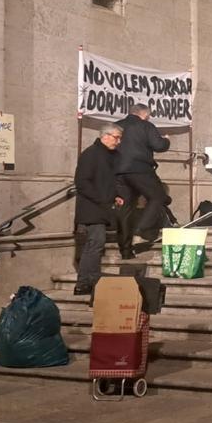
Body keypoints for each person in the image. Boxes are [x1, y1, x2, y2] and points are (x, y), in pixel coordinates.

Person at [74, 124, 126, 295]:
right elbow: (82, 182)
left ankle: (89, 281)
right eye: (116, 137)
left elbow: (107, 181)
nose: (118, 142)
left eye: (120, 138)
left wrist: (115, 195)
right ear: (105, 136)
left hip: (101, 207)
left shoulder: (109, 156)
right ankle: (86, 282)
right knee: (94, 244)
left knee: (95, 245)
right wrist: (103, 199)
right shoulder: (91, 154)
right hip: (91, 208)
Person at [116, 104, 171, 255]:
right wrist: (166, 140)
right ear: (144, 114)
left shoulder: (116, 126)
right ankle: (140, 231)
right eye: (148, 116)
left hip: (119, 172)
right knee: (158, 196)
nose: (149, 118)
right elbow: (158, 145)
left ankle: (125, 250)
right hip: (139, 169)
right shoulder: (145, 125)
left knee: (126, 208)